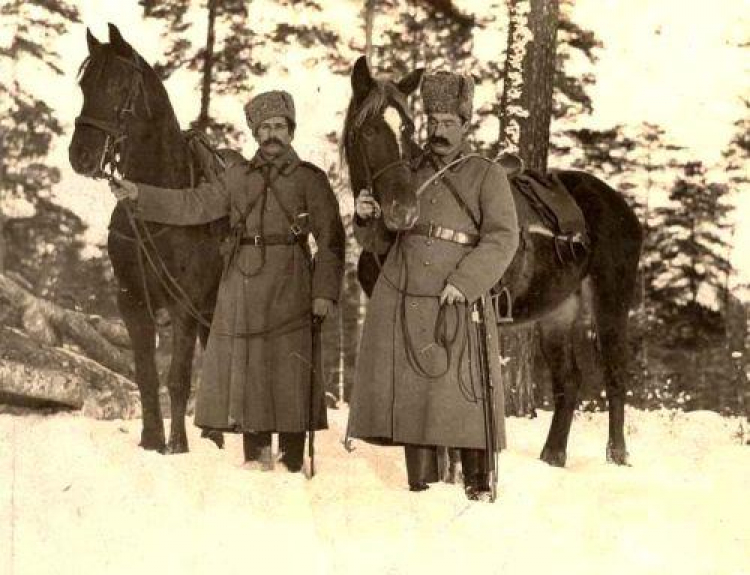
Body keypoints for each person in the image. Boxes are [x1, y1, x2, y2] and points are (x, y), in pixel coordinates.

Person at [110, 90, 345, 472]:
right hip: (244, 283)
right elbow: (192, 205)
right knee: (251, 371)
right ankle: (255, 459)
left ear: (291, 131)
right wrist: (139, 195)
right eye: (264, 127)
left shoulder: (310, 180)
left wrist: (324, 293)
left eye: (279, 127)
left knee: (289, 372)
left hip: (292, 281)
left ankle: (290, 461)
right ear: (254, 132)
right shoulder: (235, 178)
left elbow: (332, 239)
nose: (272, 135)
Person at [348, 72, 520, 500]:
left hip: (457, 296)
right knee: (415, 394)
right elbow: (382, 242)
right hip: (406, 294)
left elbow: (503, 238)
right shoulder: (407, 171)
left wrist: (465, 283)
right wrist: (367, 217)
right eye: (435, 121)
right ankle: (420, 488)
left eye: (449, 122)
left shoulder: (486, 174)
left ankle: (478, 489)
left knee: (465, 391)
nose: (440, 130)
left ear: (465, 124)